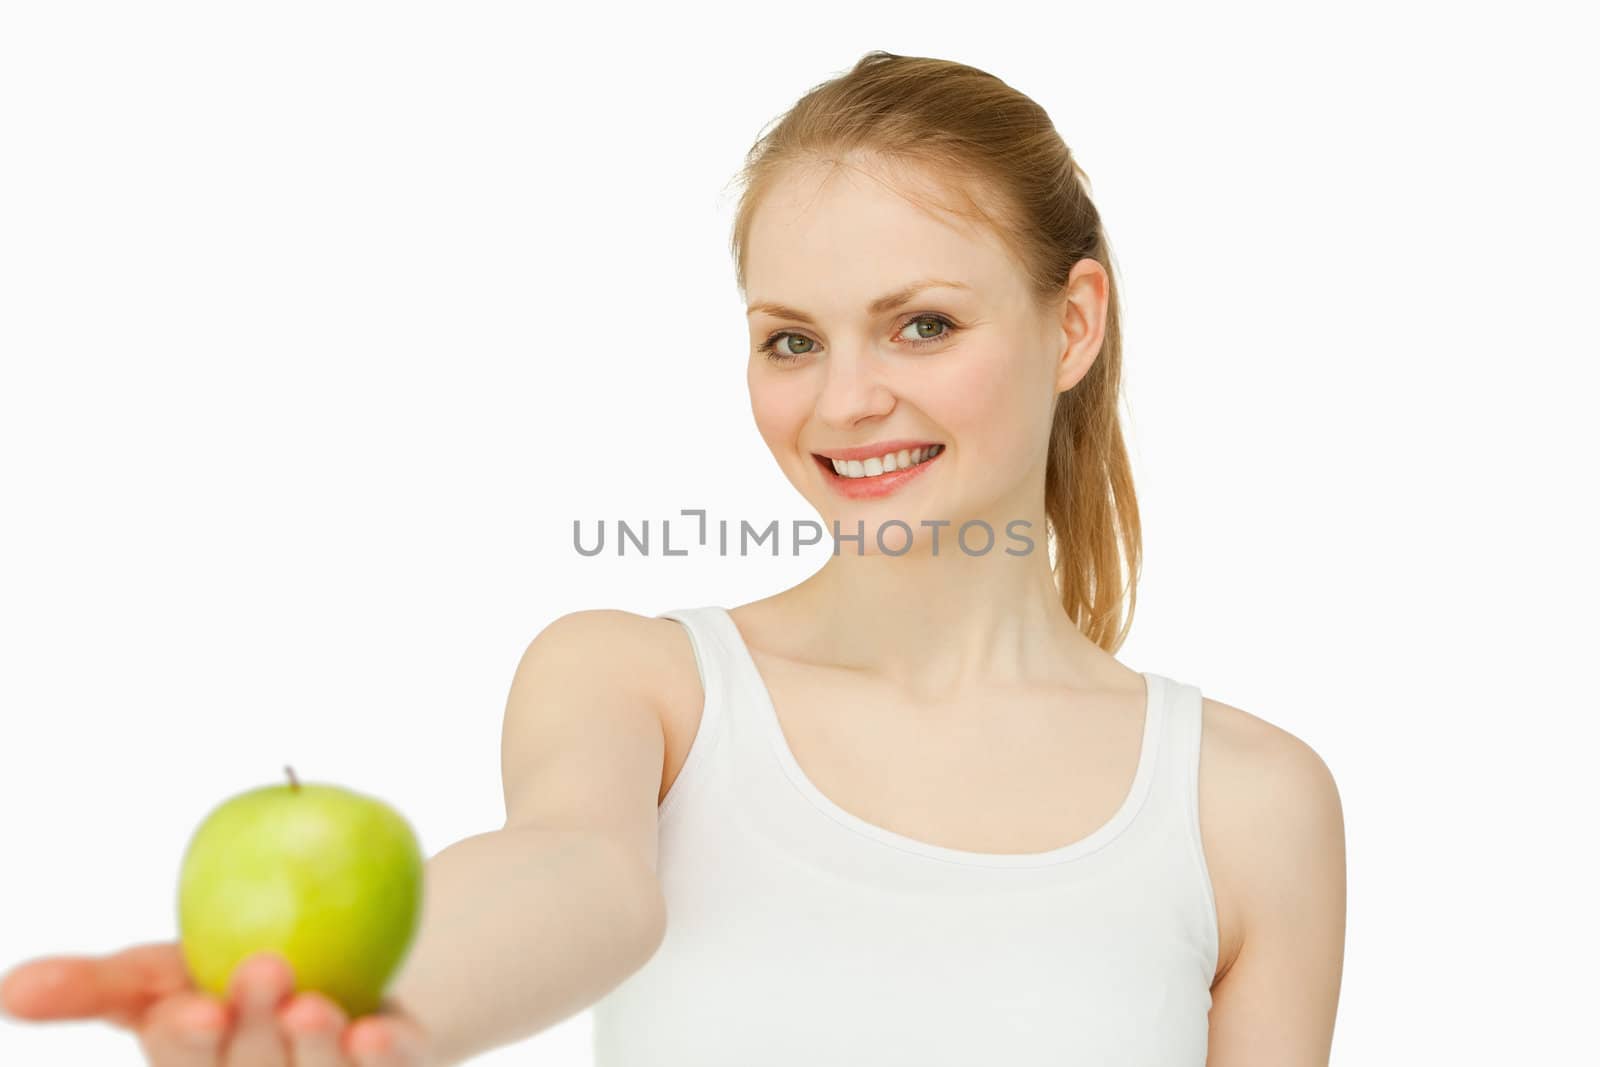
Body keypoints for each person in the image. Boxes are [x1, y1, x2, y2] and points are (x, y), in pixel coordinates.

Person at [0, 49, 1346, 1066]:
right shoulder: (641, 684)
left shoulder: (1249, 805)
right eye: (792, 338)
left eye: (922, 325)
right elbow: (581, 883)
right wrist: (364, 1006)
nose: (846, 401)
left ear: (1073, 324)